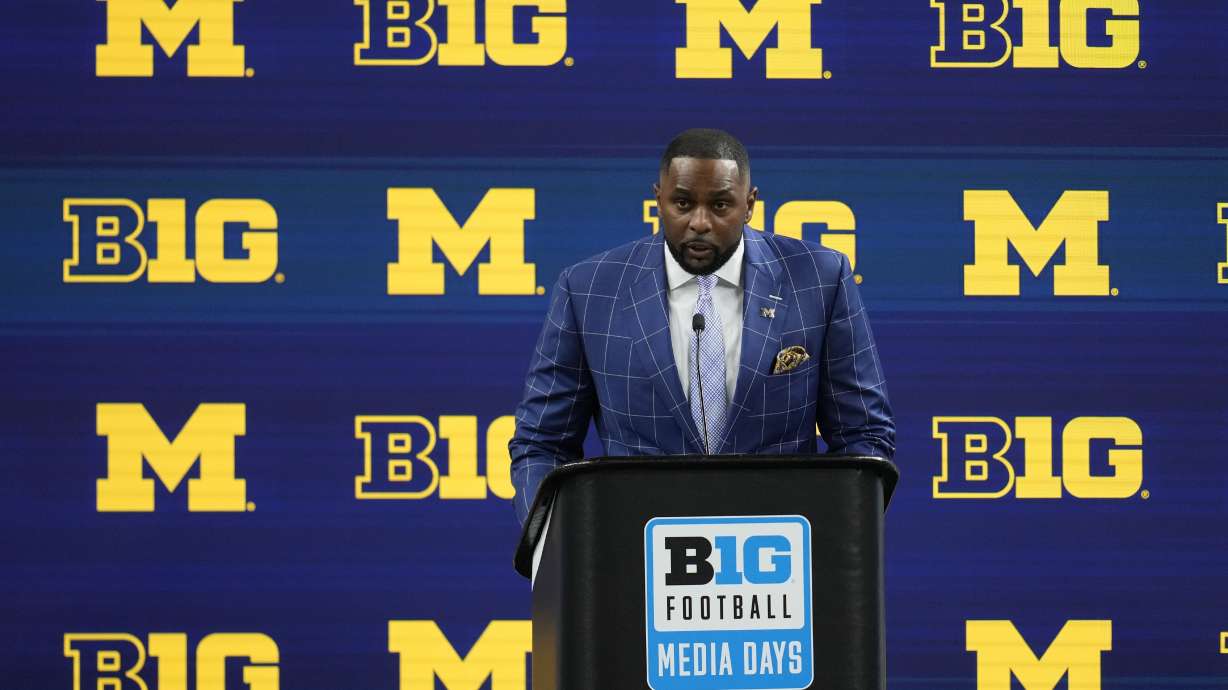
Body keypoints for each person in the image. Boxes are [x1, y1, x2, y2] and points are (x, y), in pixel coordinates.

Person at [508, 128, 894, 524]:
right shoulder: (589, 289)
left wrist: (832, 541)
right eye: (682, 203)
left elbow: (864, 437)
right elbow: (542, 444)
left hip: (779, 549)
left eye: (720, 205)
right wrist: (554, 543)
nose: (699, 222)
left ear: (749, 204)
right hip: (634, 548)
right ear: (658, 199)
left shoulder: (819, 278)